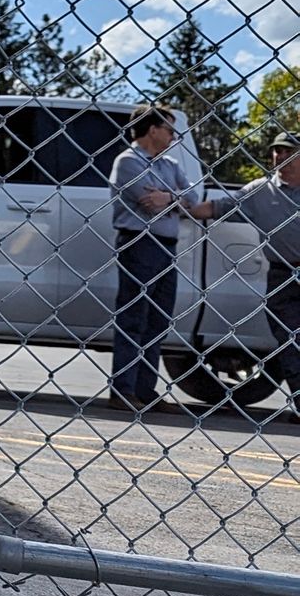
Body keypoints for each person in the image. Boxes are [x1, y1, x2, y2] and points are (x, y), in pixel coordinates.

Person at [106, 106, 222, 409]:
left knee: (158, 319)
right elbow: (148, 202)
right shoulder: (128, 162)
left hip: (166, 246)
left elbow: (191, 197)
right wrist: (175, 199)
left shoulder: (169, 164)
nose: (173, 137)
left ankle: (144, 390)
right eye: (170, 130)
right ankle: (123, 390)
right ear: (153, 130)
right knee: (134, 317)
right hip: (139, 243)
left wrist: (168, 197)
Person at [199, 132, 300, 406]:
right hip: (283, 275)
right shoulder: (260, 191)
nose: (281, 157)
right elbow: (220, 207)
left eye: (289, 152)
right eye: (277, 151)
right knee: (291, 341)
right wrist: (180, 206)